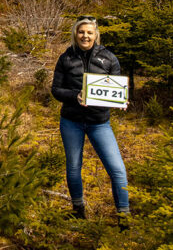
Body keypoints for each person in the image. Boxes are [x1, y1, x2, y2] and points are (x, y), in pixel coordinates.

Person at [51, 15, 129, 221]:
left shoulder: (109, 58)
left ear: (96, 35)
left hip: (99, 123)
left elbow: (115, 88)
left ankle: (124, 216)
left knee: (117, 169)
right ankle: (78, 210)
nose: (85, 36)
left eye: (89, 32)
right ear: (75, 34)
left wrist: (120, 100)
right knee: (74, 167)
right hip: (71, 121)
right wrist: (74, 96)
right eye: (81, 32)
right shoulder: (66, 58)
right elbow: (56, 90)